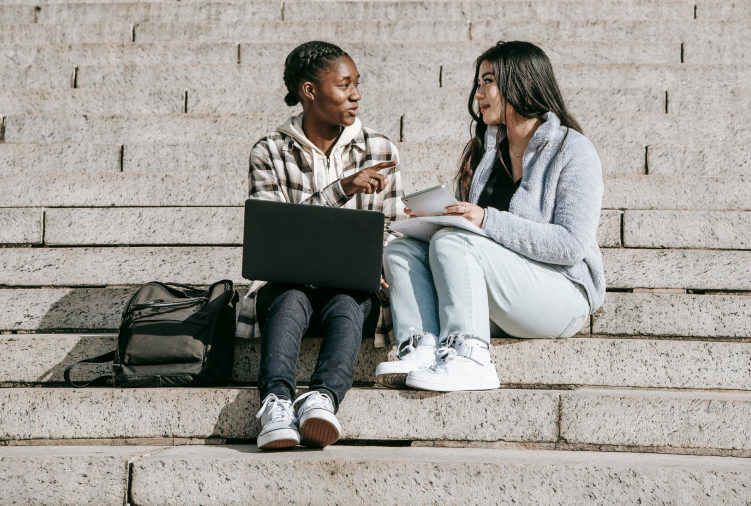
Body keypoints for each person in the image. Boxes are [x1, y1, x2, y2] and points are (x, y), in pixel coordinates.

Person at [375, 41, 605, 392]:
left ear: (520, 83)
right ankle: (422, 348)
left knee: (455, 241)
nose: (478, 93)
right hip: (502, 292)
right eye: (478, 83)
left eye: (488, 81)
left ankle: (472, 359)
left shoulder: (572, 149)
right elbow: (474, 240)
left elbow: (571, 245)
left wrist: (484, 219)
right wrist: (439, 217)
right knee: (401, 250)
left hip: (562, 292)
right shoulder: (485, 152)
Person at [236, 41, 406, 449]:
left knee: (349, 300)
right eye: (344, 85)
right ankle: (276, 403)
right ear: (310, 91)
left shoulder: (379, 149)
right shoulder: (270, 152)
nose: (356, 95)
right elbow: (275, 235)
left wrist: (382, 266)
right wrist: (341, 189)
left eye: (357, 84)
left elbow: (394, 227)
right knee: (290, 295)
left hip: (348, 293)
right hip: (285, 293)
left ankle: (323, 399)